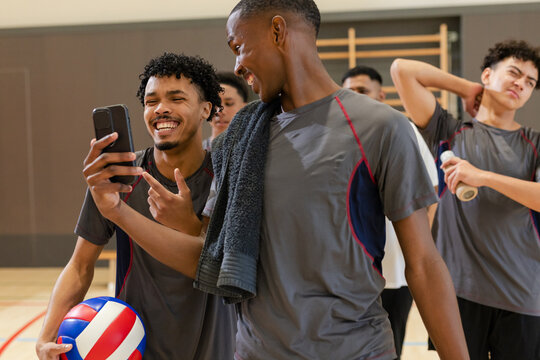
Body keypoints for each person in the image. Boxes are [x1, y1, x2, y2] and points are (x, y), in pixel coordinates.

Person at [80, 1, 469, 359]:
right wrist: (125, 214)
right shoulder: (241, 137)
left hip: (355, 351)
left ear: (278, 32)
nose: (235, 66)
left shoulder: (381, 127)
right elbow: (213, 260)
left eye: (238, 47)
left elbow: (424, 264)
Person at [35, 53, 237, 360]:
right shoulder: (116, 177)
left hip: (214, 349)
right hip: (135, 348)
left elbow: (213, 262)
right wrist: (46, 337)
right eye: (151, 100)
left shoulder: (226, 176)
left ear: (206, 109)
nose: (161, 109)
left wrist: (122, 212)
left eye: (176, 98)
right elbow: (80, 266)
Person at [391, 40, 540, 359]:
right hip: (457, 295)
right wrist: (467, 88)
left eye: (530, 82)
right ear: (487, 75)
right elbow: (402, 70)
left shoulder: (534, 143)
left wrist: (483, 177)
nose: (521, 84)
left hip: (524, 296)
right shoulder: (448, 129)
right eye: (514, 73)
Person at [342, 65, 438, 359]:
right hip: (348, 270)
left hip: (396, 270)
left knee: (390, 346)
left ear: (381, 95)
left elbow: (429, 195)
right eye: (349, 91)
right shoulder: (337, 135)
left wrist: (416, 253)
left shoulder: (401, 128)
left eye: (362, 91)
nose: (355, 97)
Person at [202, 71, 249, 151]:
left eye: (229, 104)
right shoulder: (195, 154)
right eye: (214, 104)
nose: (219, 111)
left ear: (244, 108)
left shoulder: (251, 151)